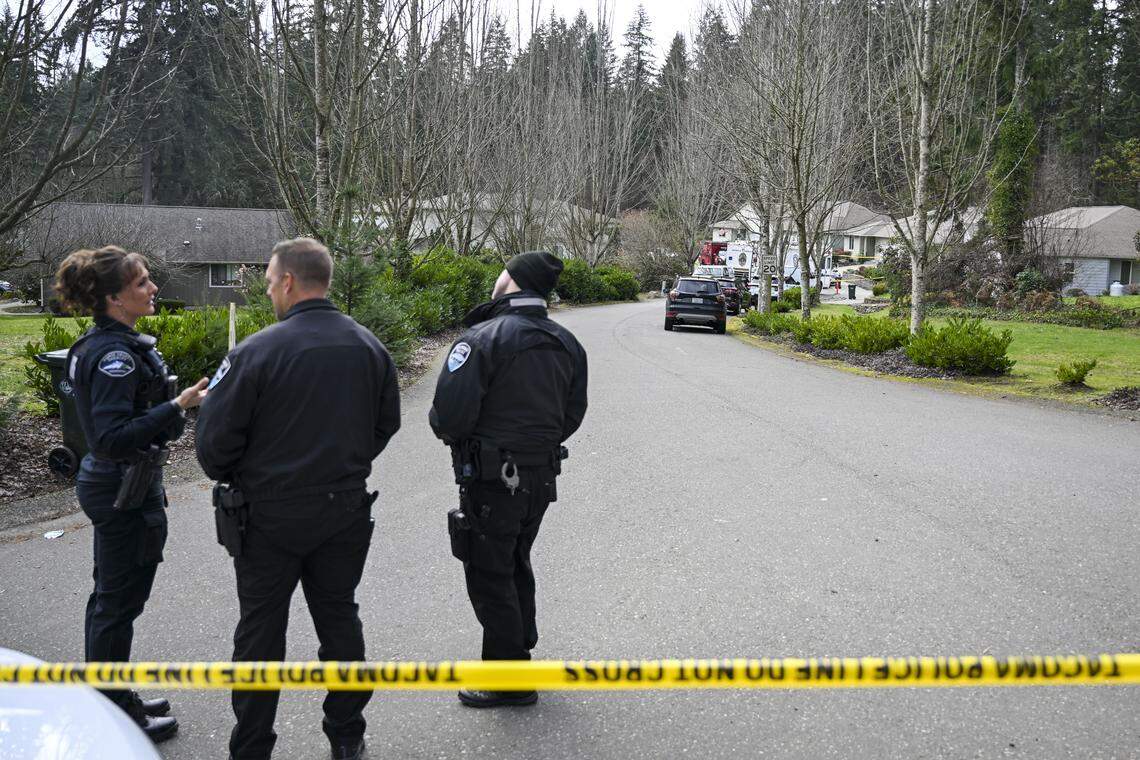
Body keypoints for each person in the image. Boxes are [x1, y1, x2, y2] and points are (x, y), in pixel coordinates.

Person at [195, 237, 401, 760]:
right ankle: (347, 737)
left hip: (268, 515)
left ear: (288, 281)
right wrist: (343, 462)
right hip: (344, 508)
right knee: (339, 619)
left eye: (269, 282)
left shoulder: (254, 352)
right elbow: (385, 424)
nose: (268, 292)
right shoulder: (369, 346)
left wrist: (254, 471)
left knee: (260, 633)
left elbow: (215, 447)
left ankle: (252, 748)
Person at [56, 246, 209, 743]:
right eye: (142, 282)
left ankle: (110, 694)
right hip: (120, 487)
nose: (153, 288)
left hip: (122, 483)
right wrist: (177, 406)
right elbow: (110, 438)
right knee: (117, 605)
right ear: (114, 298)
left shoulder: (108, 344)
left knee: (111, 599)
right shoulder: (115, 356)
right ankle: (114, 712)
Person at [429, 251, 588, 708]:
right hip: (539, 477)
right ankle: (518, 645)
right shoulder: (567, 343)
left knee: (489, 572)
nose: (498, 277)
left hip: (492, 479)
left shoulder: (482, 339)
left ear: (514, 281)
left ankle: (510, 679)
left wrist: (475, 439)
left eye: (504, 270)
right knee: (514, 559)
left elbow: (449, 417)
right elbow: (572, 413)